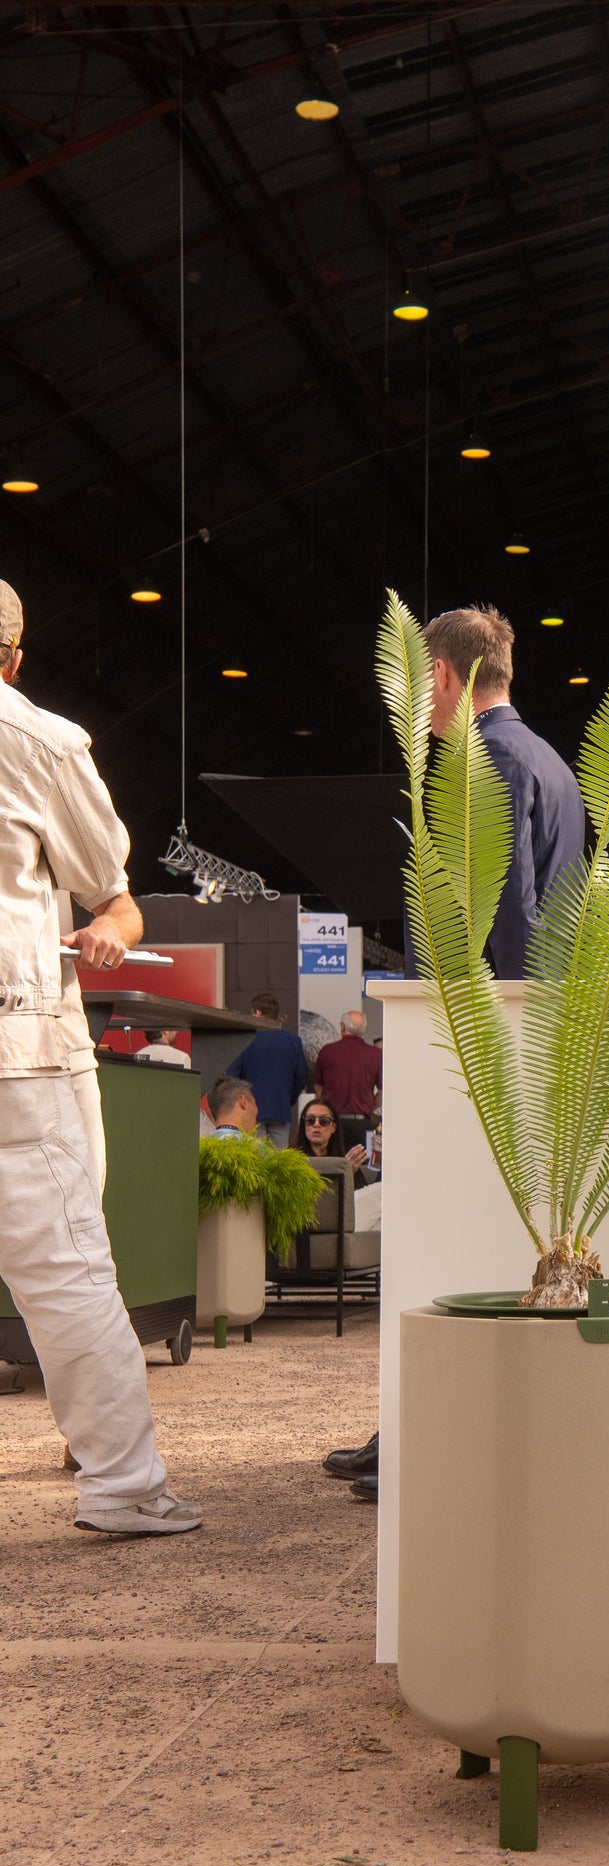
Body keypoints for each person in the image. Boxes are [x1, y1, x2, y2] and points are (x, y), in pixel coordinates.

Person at [0, 575, 200, 1535]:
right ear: (14, 655)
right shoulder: (36, 741)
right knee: (66, 1265)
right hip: (15, 1048)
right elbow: (108, 890)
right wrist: (114, 921)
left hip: (28, 1037)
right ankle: (122, 1484)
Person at [420, 604, 586, 978]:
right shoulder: (549, 758)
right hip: (549, 992)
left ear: (441, 673)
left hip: (494, 1015)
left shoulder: (490, 754)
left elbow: (506, 898)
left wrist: (519, 1006)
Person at [225, 993, 307, 1147]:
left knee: (257, 1162)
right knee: (278, 1163)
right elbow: (301, 1077)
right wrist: (287, 1099)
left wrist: (242, 1101)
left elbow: (232, 1075)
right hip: (281, 1110)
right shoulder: (293, 1042)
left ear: (258, 1012)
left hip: (251, 1111)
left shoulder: (246, 1039)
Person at [312, 1010, 381, 1151]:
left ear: (342, 1027)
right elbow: (381, 1091)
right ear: (363, 1030)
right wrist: (371, 1107)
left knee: (334, 1166)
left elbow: (318, 1087)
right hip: (363, 1122)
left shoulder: (327, 1051)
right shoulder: (375, 1054)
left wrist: (325, 1106)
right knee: (363, 1167)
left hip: (332, 1123)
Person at [298, 1094, 371, 1176]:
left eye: (324, 1121)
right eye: (310, 1120)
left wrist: (347, 1172)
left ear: (333, 1127)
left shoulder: (344, 1161)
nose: (316, 1125)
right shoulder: (293, 1161)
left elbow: (360, 1188)